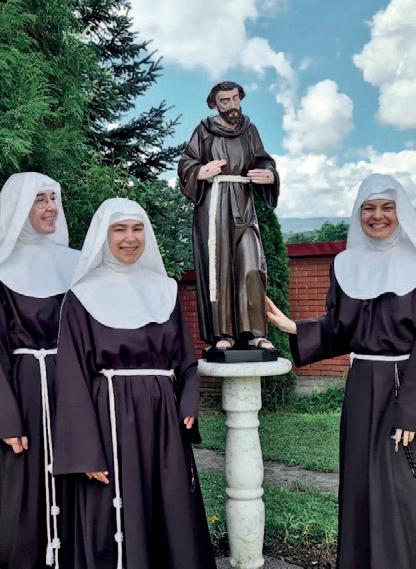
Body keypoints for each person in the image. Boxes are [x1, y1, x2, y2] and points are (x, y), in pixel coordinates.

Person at [53, 198, 216, 569]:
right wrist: (85, 451)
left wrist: (189, 399)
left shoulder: (165, 290)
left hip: (164, 423)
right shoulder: (81, 297)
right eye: (120, 229)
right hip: (110, 422)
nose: (130, 238)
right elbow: (72, 377)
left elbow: (187, 361)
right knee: (115, 513)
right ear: (103, 236)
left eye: (137, 228)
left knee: (170, 508)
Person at [267, 173, 416, 569]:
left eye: (387, 207)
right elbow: (339, 330)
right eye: (369, 208)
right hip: (362, 386)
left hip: (404, 387)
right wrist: (293, 327)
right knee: (360, 485)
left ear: (401, 211)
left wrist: (410, 410)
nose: (378, 216)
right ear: (358, 213)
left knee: (400, 489)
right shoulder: (345, 265)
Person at [0, 172, 80, 569]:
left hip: (73, 389)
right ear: (18, 208)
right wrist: (6, 418)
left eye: (54, 198)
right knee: (22, 490)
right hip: (25, 390)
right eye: (40, 200)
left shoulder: (75, 263)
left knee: (77, 479)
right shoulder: (2, 269)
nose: (51, 208)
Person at [178, 80, 279, 351]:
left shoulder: (250, 130)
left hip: (243, 202)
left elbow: (263, 160)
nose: (232, 105)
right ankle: (223, 334)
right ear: (215, 104)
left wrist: (269, 174)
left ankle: (255, 332)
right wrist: (200, 172)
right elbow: (186, 162)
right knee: (218, 266)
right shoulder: (204, 130)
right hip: (213, 204)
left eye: (235, 98)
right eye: (225, 101)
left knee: (251, 263)